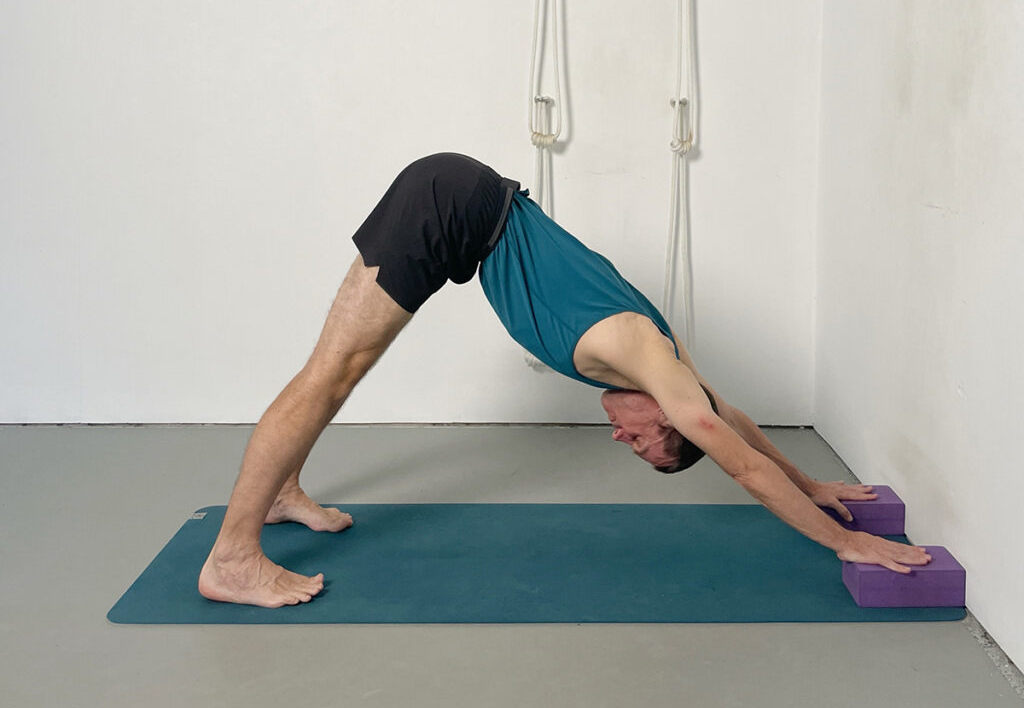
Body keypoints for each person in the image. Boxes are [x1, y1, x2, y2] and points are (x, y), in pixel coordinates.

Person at [198, 152, 930, 608]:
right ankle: (232, 559)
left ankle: (283, 492)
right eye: (642, 442)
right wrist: (844, 543)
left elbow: (729, 417)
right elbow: (736, 461)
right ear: (671, 418)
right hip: (448, 205)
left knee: (339, 374)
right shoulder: (653, 364)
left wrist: (813, 485)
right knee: (332, 375)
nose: (620, 433)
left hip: (460, 202)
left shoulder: (669, 366)